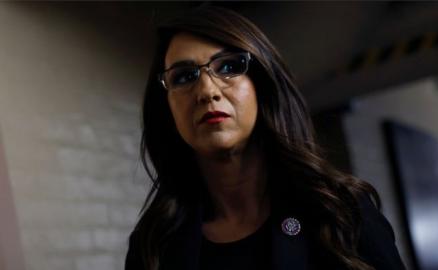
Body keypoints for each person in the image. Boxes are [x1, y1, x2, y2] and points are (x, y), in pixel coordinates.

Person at [125, 5, 405, 270]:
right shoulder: (153, 246)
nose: (207, 91)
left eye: (228, 67)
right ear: (167, 108)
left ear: (262, 85)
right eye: (184, 76)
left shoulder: (342, 212)